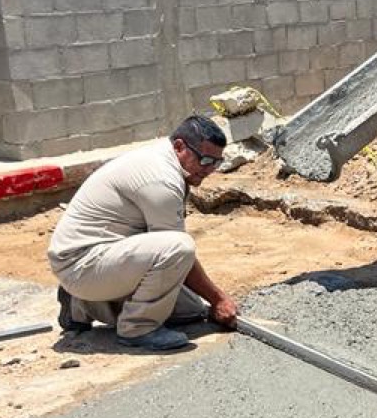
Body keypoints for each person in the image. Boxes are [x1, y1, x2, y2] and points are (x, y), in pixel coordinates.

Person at [48, 116, 240, 352]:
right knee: (179, 248)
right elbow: (175, 252)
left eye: (217, 163)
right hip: (81, 263)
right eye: (205, 160)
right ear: (180, 146)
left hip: (98, 258)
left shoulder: (168, 161)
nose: (210, 169)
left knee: (190, 310)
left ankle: (83, 304)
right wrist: (218, 299)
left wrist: (211, 300)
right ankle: (138, 329)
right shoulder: (161, 179)